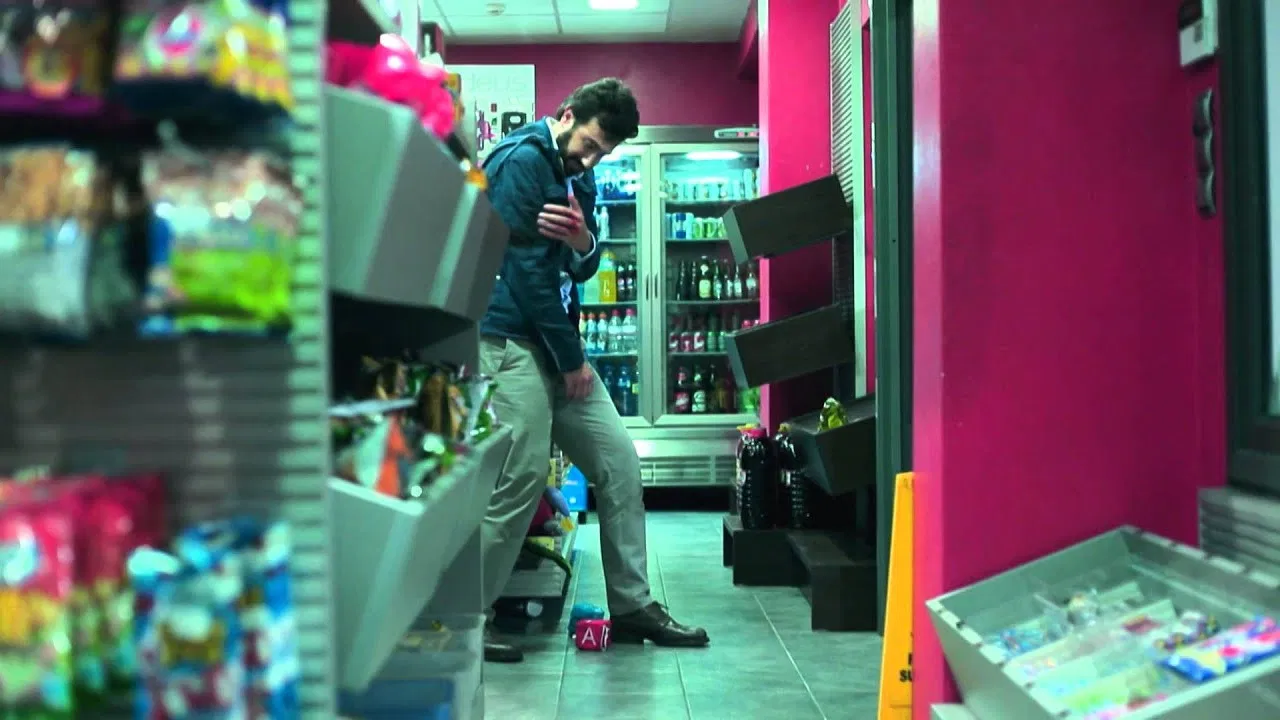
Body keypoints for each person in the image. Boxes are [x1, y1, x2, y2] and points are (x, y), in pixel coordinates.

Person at [476, 78, 709, 662]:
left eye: (605, 152)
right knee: (521, 475)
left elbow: (584, 262)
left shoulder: (574, 171)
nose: (593, 160)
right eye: (591, 144)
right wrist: (572, 360)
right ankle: (465, 620)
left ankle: (631, 607)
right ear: (567, 114)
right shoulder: (520, 163)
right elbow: (527, 276)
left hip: (553, 343)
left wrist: (583, 242)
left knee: (620, 463)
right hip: (508, 340)